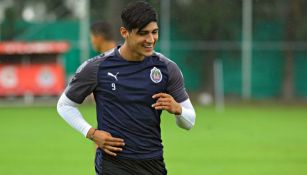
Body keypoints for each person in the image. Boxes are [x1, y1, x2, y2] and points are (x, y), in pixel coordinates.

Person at [57, 1, 196, 175]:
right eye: (143, 34)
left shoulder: (167, 68)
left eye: (154, 32)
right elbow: (64, 105)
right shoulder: (97, 67)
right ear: (125, 33)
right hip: (113, 163)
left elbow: (190, 122)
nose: (151, 40)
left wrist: (178, 110)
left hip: (152, 162)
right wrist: (91, 133)